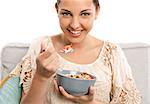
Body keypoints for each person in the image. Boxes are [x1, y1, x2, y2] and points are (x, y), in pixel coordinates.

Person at [11, 0, 141, 104]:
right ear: (57, 10)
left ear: (97, 11)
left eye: (85, 14)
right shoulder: (41, 47)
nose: (74, 25)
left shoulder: (112, 52)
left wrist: (90, 103)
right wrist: (41, 76)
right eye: (66, 13)